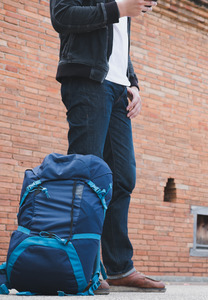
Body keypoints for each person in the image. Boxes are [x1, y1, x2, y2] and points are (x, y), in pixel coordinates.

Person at [49, 0, 165, 294]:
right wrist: (120, 8)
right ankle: (83, 267)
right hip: (88, 81)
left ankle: (119, 267)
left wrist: (133, 82)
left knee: (122, 178)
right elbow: (61, 16)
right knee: (86, 178)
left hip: (117, 89)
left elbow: (117, 43)